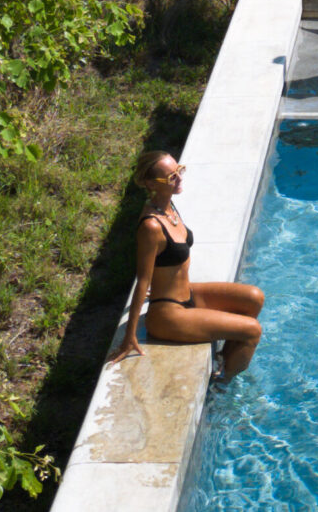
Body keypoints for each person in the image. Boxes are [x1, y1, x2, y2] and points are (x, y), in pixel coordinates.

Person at [108, 149, 264, 381]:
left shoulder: (169, 206)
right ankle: (223, 383)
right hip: (168, 314)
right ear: (151, 184)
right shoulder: (151, 226)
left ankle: (224, 357)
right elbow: (142, 280)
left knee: (254, 297)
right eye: (171, 177)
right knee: (253, 330)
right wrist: (129, 336)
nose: (179, 178)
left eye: (179, 170)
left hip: (188, 294)